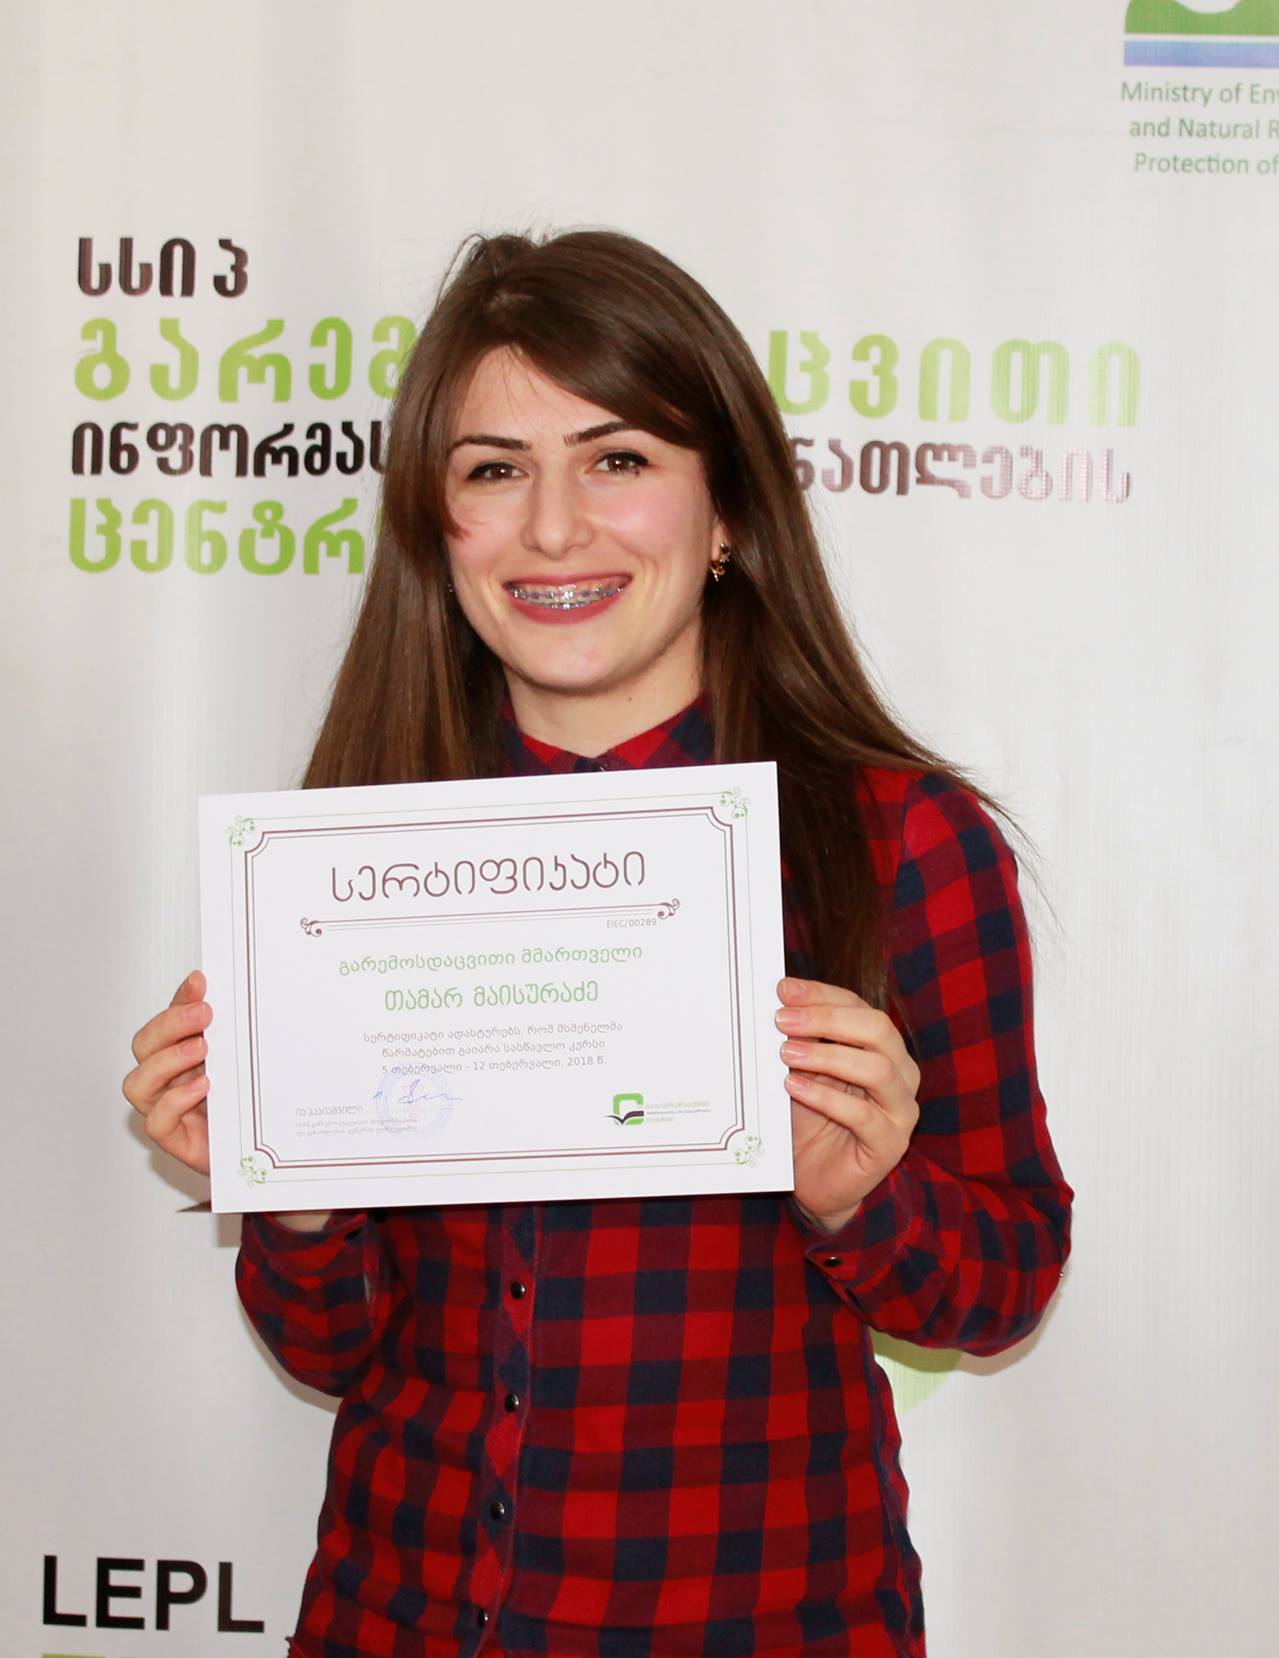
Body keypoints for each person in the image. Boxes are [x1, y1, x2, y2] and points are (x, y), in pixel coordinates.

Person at [123, 231, 1071, 1657]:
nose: (555, 530)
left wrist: (860, 1197)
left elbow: (1006, 1278)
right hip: (400, 1618)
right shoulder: (350, 858)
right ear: (437, 528)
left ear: (728, 508)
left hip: (759, 1622)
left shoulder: (898, 840)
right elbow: (332, 1346)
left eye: (617, 458)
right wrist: (290, 1196)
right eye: (493, 470)